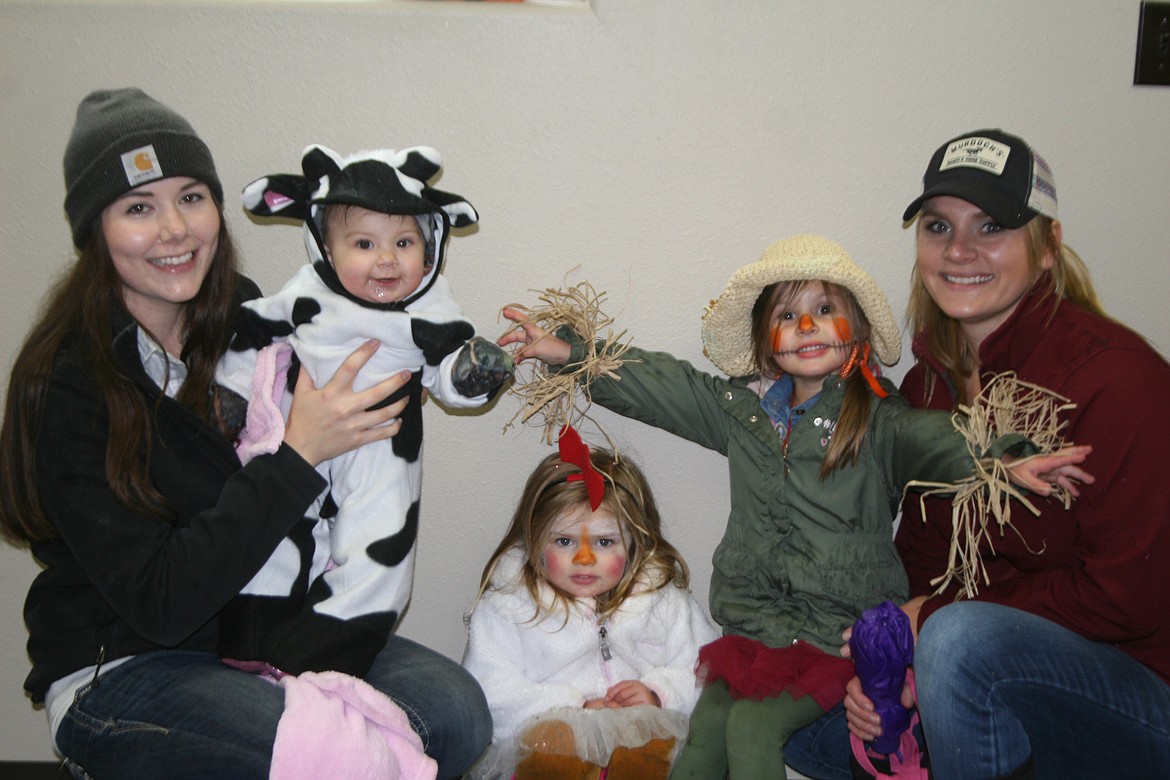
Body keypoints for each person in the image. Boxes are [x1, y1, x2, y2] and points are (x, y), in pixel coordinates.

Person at [0, 87, 490, 780]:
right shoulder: (68, 383)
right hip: (127, 663)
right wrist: (299, 455)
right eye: (139, 207)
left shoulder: (247, 319)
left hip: (259, 628)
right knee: (336, 761)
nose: (175, 229)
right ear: (95, 231)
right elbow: (162, 604)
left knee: (455, 711)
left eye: (191, 197)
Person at [497, 233, 1091, 778]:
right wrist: (571, 353)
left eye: (825, 310)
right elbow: (666, 386)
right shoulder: (743, 416)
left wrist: (1003, 457)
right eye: (787, 315)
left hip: (832, 635)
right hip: (753, 631)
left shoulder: (877, 423)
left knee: (753, 732)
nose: (807, 325)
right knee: (704, 733)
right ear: (765, 338)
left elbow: (940, 441)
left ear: (855, 330)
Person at [839, 128, 1170, 780]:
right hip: (1000, 664)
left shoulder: (1118, 380)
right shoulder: (928, 383)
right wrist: (896, 670)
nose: (960, 250)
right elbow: (925, 556)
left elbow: (1127, 599)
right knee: (816, 712)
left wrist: (934, 626)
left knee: (959, 641)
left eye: (992, 225)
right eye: (939, 226)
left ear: (1048, 248)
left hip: (1142, 691)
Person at [215, 143, 512, 677]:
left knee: (379, 553)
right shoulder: (304, 293)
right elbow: (252, 335)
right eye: (363, 243)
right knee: (276, 533)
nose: (386, 259)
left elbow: (447, 371)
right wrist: (233, 395)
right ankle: (251, 634)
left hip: (383, 444)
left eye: (404, 241)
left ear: (431, 245)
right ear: (325, 247)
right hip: (292, 437)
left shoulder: (432, 307)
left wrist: (473, 373)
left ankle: (323, 653)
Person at [462, 430, 720, 780]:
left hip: (642, 747)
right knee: (554, 749)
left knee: (650, 746)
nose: (584, 558)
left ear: (634, 543)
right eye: (564, 540)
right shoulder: (511, 605)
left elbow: (708, 669)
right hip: (547, 743)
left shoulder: (662, 601)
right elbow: (488, 691)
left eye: (604, 541)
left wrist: (659, 694)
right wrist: (575, 707)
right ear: (536, 540)